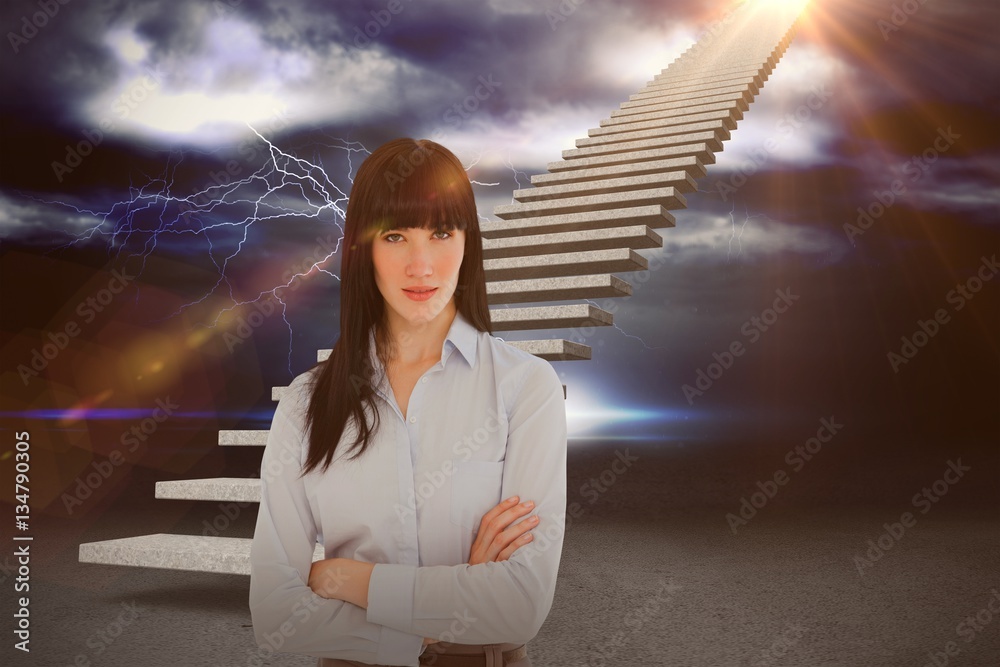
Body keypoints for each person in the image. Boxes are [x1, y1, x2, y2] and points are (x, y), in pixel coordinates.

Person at [249, 137, 568, 667]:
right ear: (364, 250)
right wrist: (436, 625)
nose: (421, 266)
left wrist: (348, 579)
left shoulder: (525, 387)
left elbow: (520, 607)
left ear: (469, 242)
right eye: (395, 236)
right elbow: (275, 614)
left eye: (442, 232)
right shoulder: (306, 404)